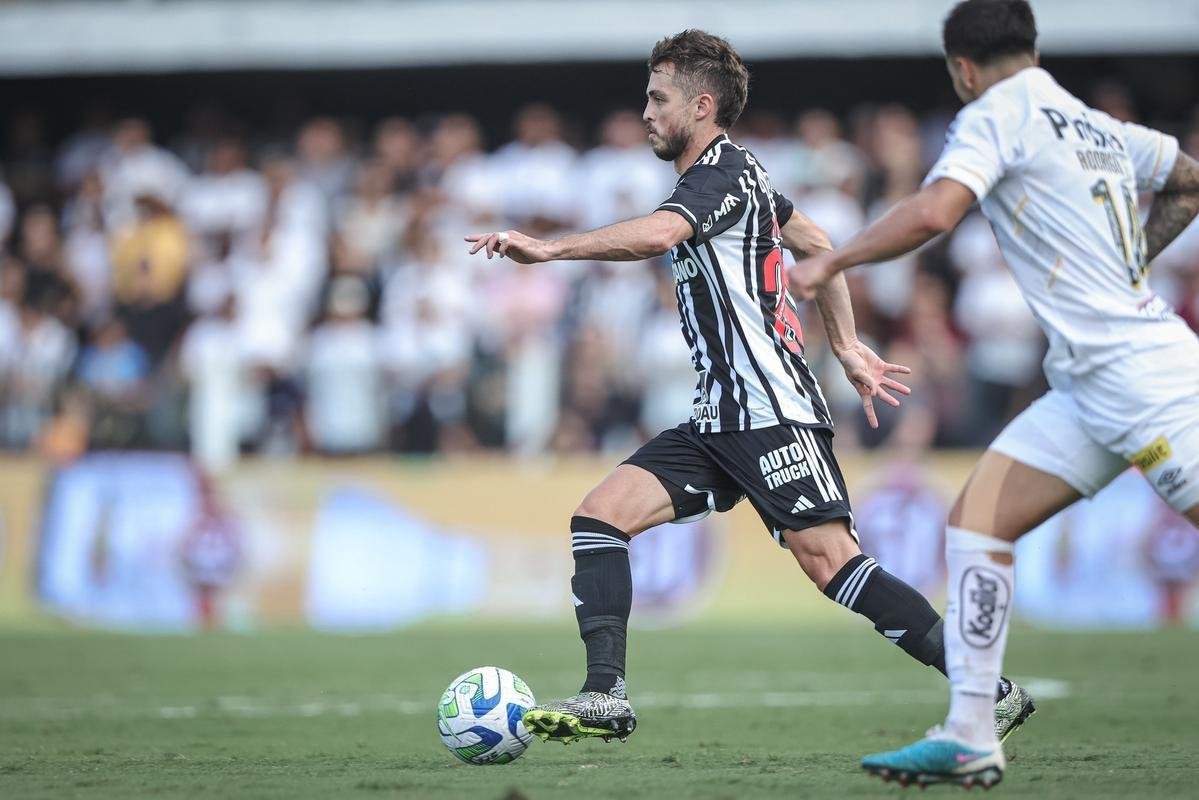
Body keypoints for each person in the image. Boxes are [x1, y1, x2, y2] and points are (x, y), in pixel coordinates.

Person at [466, 28, 1034, 748]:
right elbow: (819, 245)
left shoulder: (717, 178)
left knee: (830, 562)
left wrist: (549, 248)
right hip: (719, 415)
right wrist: (848, 346)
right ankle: (604, 694)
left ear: (701, 106)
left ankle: (990, 691)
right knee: (598, 518)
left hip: (768, 409)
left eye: (656, 98)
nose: (644, 111)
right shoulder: (746, 176)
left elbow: (654, 238)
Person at [791, 0, 1199, 788]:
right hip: (1089, 386)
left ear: (963, 69)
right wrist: (1130, 271)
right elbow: (1186, 181)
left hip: (1145, 383)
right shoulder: (1097, 127)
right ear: (1031, 47)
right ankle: (971, 732)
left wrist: (830, 263)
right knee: (977, 523)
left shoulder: (992, 114)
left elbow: (935, 211)